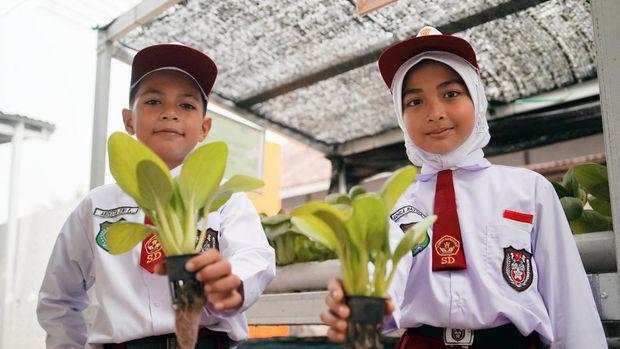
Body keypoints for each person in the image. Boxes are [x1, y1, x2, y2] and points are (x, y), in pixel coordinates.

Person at [321, 26, 606, 348]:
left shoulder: (529, 190)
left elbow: (567, 296)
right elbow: (387, 274)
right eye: (415, 101)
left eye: (451, 94)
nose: (435, 113)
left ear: (477, 98)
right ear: (400, 117)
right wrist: (359, 300)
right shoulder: (396, 200)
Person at [37, 43, 276, 348]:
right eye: (153, 101)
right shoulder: (96, 206)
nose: (170, 114)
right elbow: (59, 298)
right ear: (129, 120)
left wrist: (234, 282)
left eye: (186, 106)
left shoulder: (225, 197)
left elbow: (256, 255)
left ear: (204, 128)